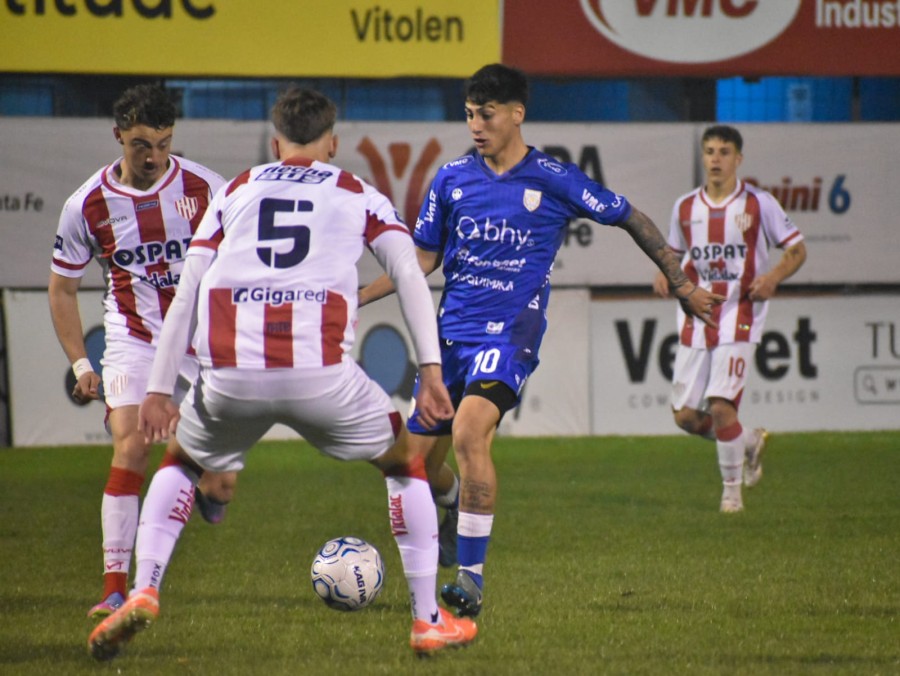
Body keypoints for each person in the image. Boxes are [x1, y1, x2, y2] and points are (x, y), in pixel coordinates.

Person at [87, 86, 477, 661]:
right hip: (319, 372)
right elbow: (410, 277)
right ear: (333, 142)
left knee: (181, 462)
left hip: (229, 371)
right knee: (404, 464)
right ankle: (426, 621)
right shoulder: (357, 192)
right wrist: (432, 368)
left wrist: (158, 389)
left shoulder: (237, 189)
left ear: (276, 143)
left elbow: (190, 289)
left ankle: (142, 588)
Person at [358, 63, 724, 619]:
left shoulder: (553, 177)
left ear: (516, 114)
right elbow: (423, 258)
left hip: (510, 332)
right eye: (469, 114)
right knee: (410, 468)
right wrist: (352, 299)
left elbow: (630, 217)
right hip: (449, 336)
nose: (475, 125)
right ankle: (452, 502)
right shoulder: (452, 178)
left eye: (486, 114)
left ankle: (471, 581)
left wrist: (680, 283)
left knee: (470, 429)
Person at [49, 84, 238, 620]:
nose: (153, 156)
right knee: (131, 444)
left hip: (201, 345)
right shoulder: (86, 205)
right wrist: (82, 363)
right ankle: (114, 588)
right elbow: (62, 289)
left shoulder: (207, 189)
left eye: (162, 143)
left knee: (221, 483)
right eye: (139, 145)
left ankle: (211, 491)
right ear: (118, 138)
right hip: (132, 339)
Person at [653, 124, 806, 513]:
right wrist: (664, 273)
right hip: (696, 318)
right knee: (686, 417)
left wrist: (772, 278)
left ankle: (731, 494)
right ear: (702, 157)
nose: (716, 159)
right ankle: (748, 441)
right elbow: (672, 254)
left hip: (740, 314)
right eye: (710, 151)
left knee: (722, 406)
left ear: (738, 159)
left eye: (724, 152)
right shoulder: (685, 207)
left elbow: (797, 250)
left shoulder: (758, 204)